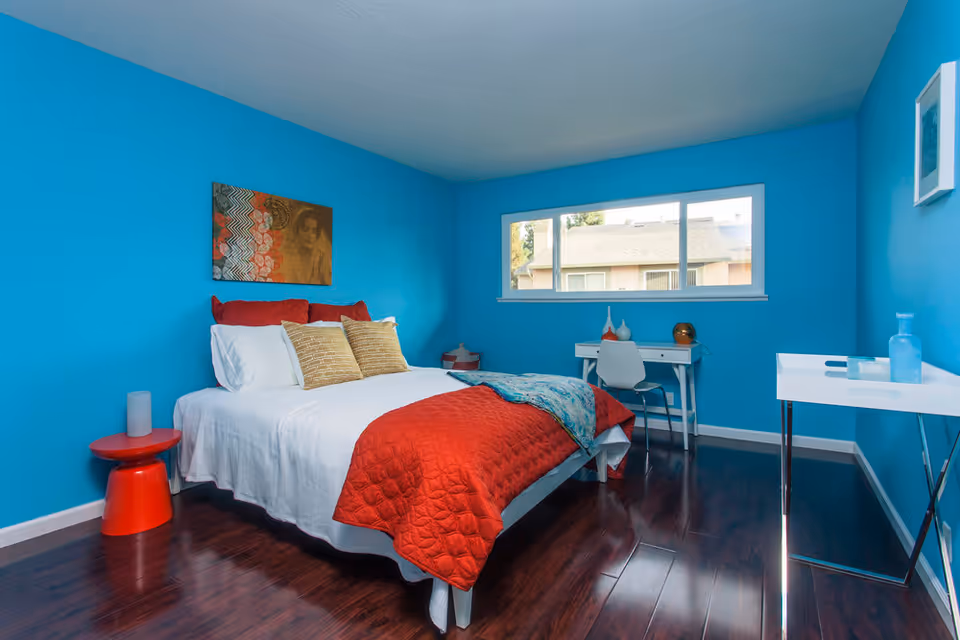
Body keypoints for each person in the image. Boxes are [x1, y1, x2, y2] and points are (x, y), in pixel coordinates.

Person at [284, 207, 331, 284]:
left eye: (314, 231)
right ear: (297, 231)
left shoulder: (321, 258)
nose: (310, 235)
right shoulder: (288, 257)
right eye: (305, 229)